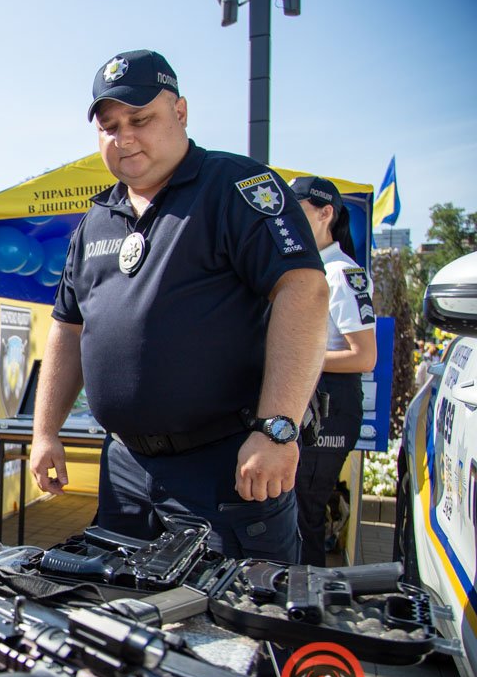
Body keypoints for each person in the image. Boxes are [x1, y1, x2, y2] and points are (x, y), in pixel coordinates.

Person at [30, 49, 329, 563]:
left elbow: (304, 292)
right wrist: (44, 432)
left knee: (234, 612)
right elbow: (68, 328)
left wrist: (277, 429)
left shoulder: (234, 186)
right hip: (125, 467)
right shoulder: (96, 219)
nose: (124, 137)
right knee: (123, 609)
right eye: (109, 127)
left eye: (140, 119)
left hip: (225, 465)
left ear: (181, 112)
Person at [290, 176, 377, 566]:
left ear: (325, 213)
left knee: (304, 516)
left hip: (330, 409)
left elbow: (364, 356)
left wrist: (292, 356)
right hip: (307, 404)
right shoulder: (307, 267)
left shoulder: (342, 273)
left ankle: (305, 598)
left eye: (297, 210)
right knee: (292, 514)